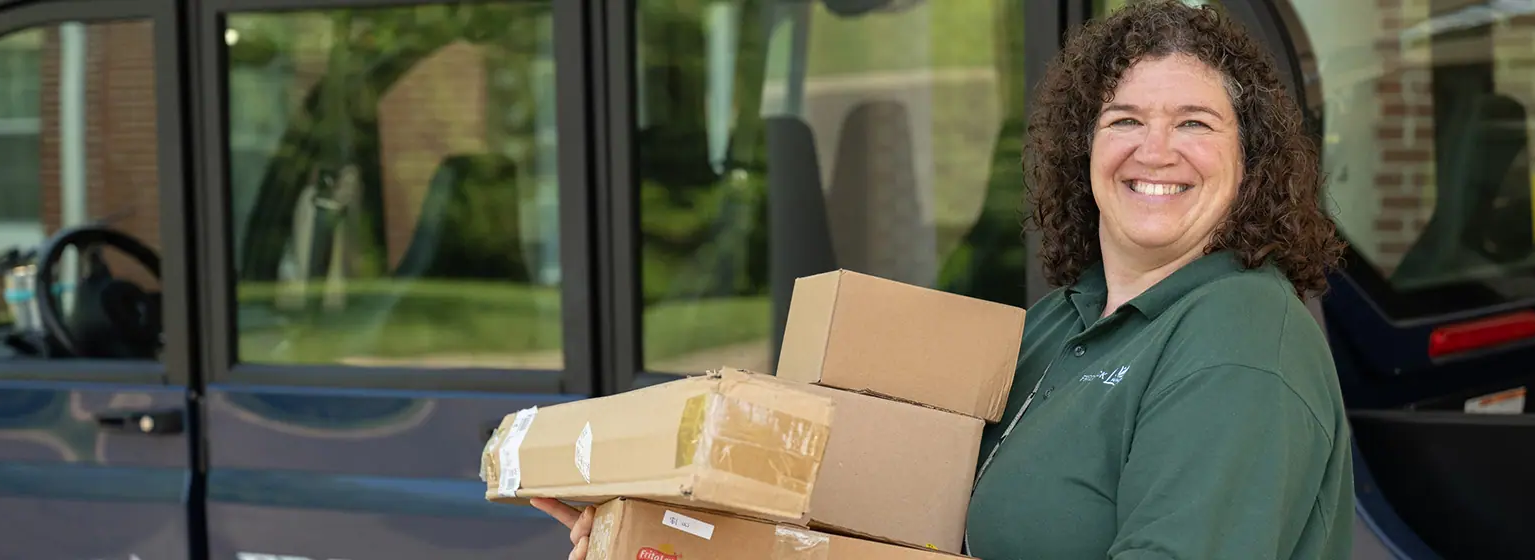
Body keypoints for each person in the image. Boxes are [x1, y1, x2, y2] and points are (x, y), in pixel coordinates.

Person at [532, 1, 1354, 558]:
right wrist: (662, 530)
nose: (1156, 149)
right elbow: (890, 521)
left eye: (1195, 123)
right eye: (1126, 120)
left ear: (1252, 164)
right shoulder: (1061, 325)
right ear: (1085, 148)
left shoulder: (1242, 339)